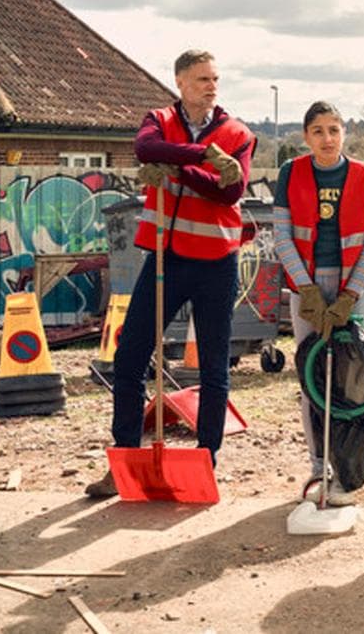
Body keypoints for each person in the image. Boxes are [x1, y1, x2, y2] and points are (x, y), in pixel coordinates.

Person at [86, 49, 254, 497]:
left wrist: (176, 167)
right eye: (202, 79)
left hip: (217, 262)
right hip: (167, 257)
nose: (211, 86)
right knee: (129, 356)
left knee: (214, 366)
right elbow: (145, 148)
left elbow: (229, 190)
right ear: (180, 82)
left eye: (215, 79)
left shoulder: (239, 133)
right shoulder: (158, 119)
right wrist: (203, 156)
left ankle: (206, 460)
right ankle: (124, 458)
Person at [272, 101, 364, 506]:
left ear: (344, 134)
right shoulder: (292, 173)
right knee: (313, 380)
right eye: (318, 131)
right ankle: (320, 467)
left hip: (353, 285)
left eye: (334, 130)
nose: (327, 138)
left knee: (353, 381)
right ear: (306, 136)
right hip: (309, 287)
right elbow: (282, 236)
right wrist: (307, 290)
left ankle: (348, 470)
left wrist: (350, 294)